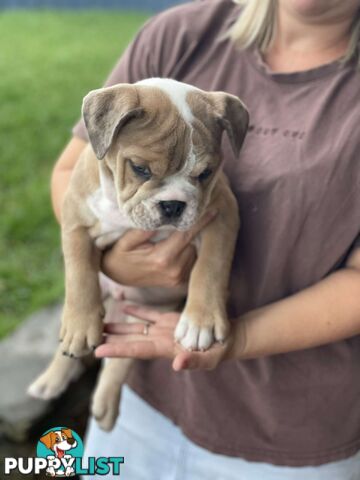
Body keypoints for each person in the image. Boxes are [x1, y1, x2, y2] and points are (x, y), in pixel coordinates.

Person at [51, 0, 360, 478]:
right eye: (143, 169)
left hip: (291, 429)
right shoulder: (182, 32)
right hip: (146, 395)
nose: (175, 200)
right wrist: (111, 264)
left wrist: (236, 338)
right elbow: (74, 175)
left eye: (202, 176)